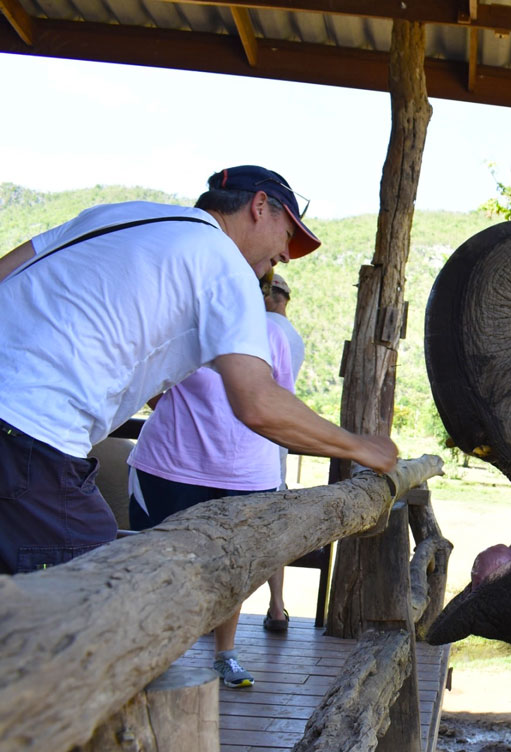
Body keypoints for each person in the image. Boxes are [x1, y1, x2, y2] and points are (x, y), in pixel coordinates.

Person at [0, 165, 398, 575]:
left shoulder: (119, 214)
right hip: (29, 429)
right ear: (260, 206)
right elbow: (258, 404)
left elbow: (6, 270)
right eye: (287, 235)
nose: (284, 254)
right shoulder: (225, 265)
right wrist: (360, 447)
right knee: (94, 594)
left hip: (20, 423)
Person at [127, 267, 296, 687]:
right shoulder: (187, 330)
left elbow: (281, 400)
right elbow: (149, 381)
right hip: (170, 467)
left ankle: (226, 655)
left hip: (246, 474)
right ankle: (152, 655)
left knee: (234, 568)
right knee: (157, 565)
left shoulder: (272, 337)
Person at [262, 272, 304, 633]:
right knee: (273, 529)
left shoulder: (262, 329)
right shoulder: (295, 338)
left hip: (248, 446)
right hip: (273, 450)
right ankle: (277, 607)